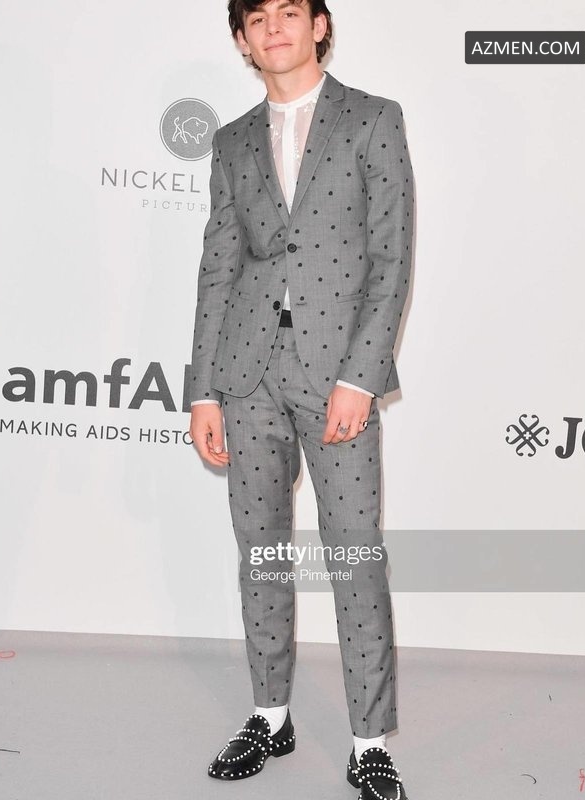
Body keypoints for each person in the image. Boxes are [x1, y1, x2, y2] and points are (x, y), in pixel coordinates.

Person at [188, 1, 414, 797]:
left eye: (290, 11)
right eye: (257, 18)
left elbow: (391, 258)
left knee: (353, 558)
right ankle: (270, 717)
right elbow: (219, 269)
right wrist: (203, 390)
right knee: (262, 554)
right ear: (243, 40)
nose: (274, 27)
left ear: (319, 25)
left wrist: (360, 377)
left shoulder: (373, 119)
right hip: (245, 376)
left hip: (337, 377)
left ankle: (368, 741)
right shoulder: (231, 141)